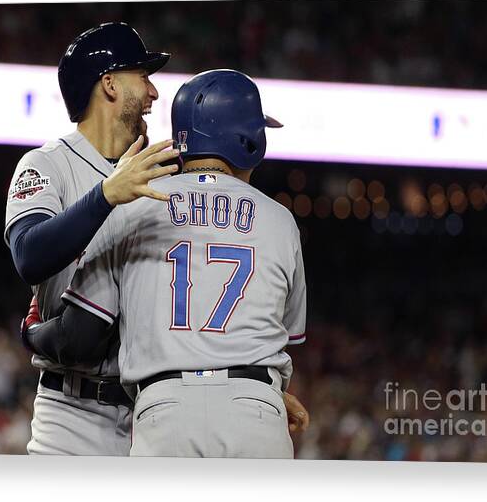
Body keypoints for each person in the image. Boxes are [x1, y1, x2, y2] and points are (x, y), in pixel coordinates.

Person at [24, 69, 307, 458]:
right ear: (249, 141)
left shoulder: (132, 206)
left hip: (164, 410)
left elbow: (83, 333)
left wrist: (33, 332)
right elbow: (288, 337)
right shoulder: (280, 220)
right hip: (256, 409)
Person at [4, 22, 178, 455]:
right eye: (143, 75)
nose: (153, 93)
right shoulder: (47, 164)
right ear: (110, 84)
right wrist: (104, 197)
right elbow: (29, 253)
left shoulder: (158, 171)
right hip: (70, 415)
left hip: (149, 415)